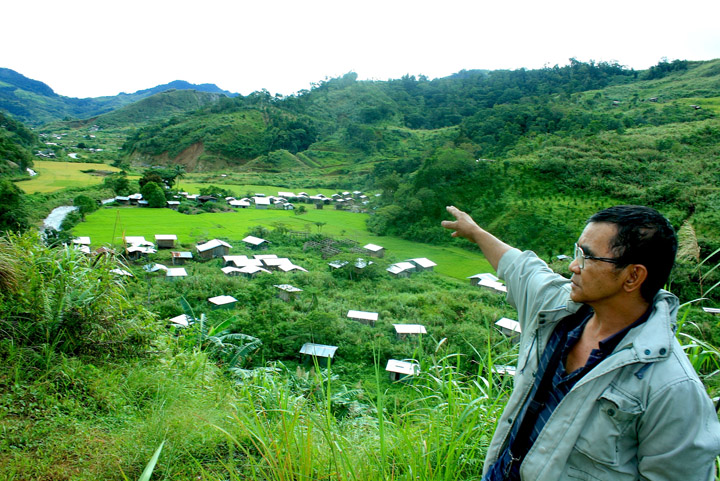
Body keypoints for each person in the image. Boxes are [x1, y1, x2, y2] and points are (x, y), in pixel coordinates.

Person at [441, 204, 720, 480]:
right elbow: (520, 267)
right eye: (577, 252)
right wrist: (475, 232)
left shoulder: (672, 389)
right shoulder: (557, 311)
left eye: (587, 257)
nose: (573, 266)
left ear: (633, 276)